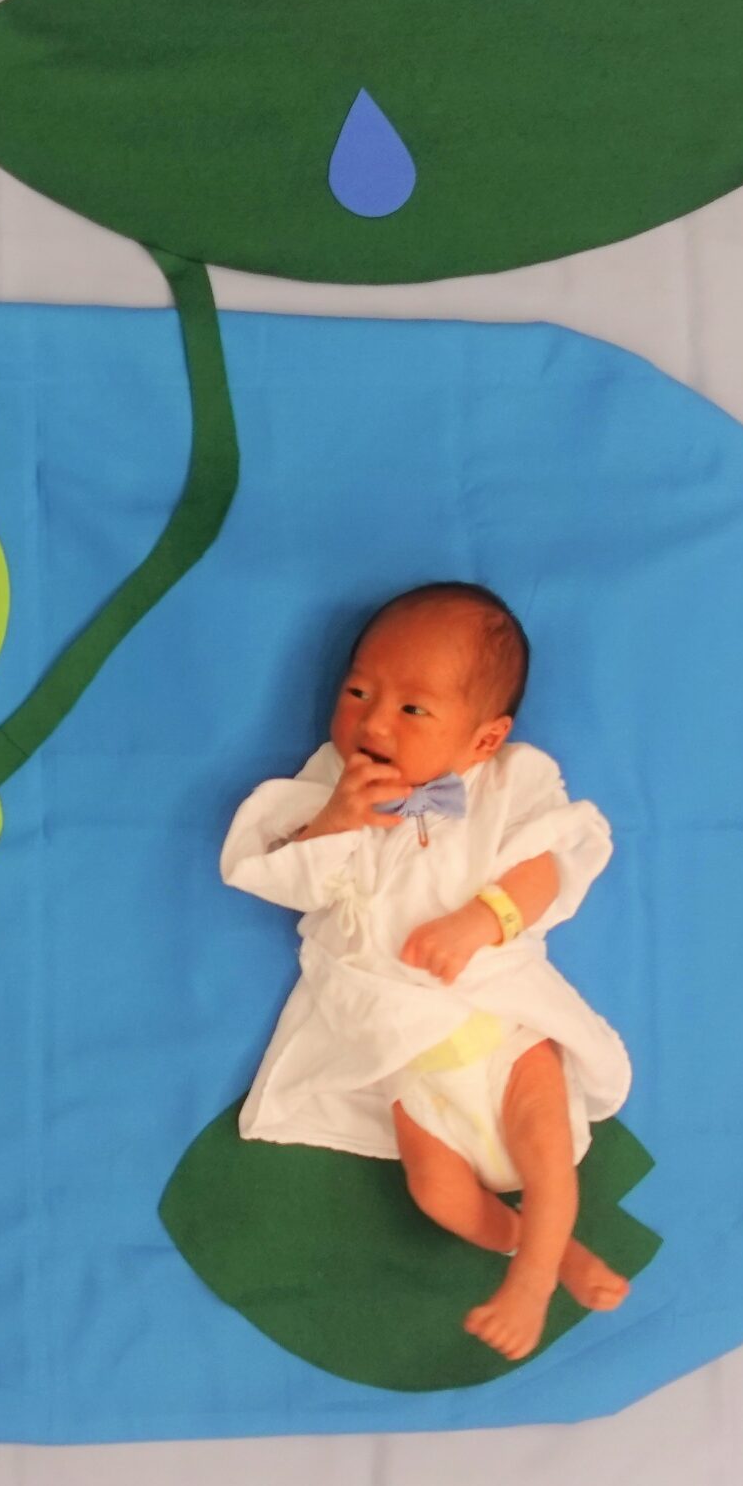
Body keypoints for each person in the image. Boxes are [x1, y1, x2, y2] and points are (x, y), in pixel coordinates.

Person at [220, 582, 633, 1360]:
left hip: (500, 1020)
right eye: (357, 692)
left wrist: (483, 920)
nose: (374, 722)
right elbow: (278, 875)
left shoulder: (509, 783)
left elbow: (547, 867)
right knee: (435, 1191)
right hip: (402, 1047)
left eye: (413, 708)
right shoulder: (324, 785)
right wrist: (333, 822)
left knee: (546, 1154)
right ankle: (541, 1248)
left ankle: (532, 1281)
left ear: (483, 739)